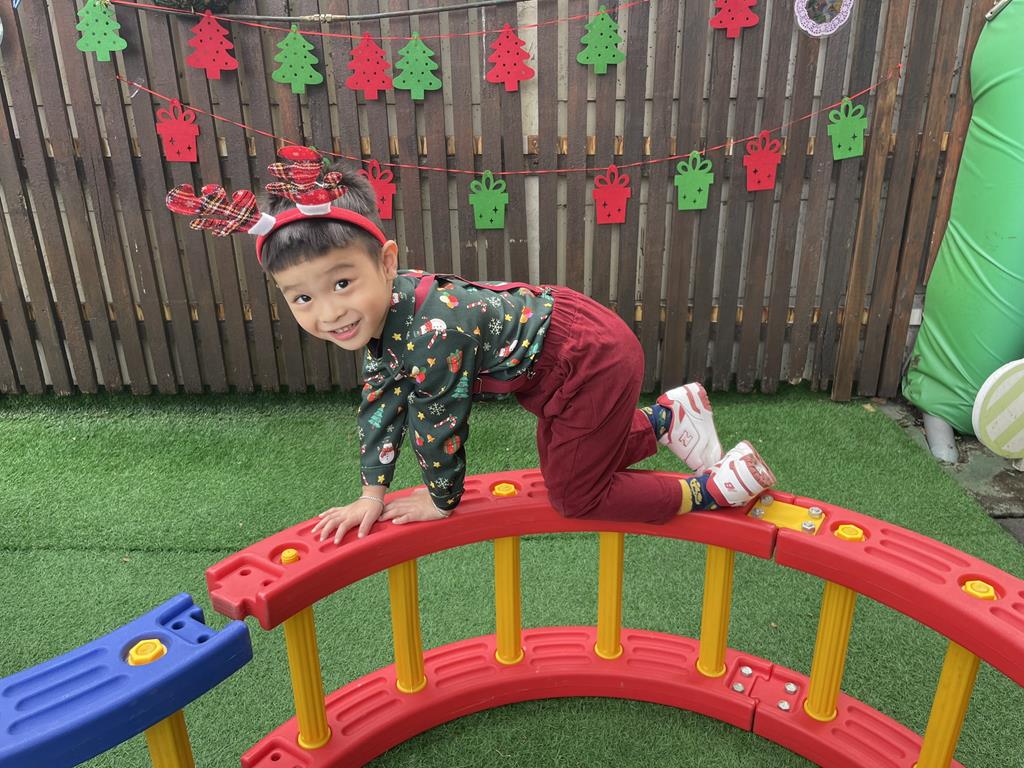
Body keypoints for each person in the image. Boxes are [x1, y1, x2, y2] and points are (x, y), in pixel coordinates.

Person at [166, 147, 776, 545]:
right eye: (301, 297)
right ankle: (669, 417)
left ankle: (714, 488)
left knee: (576, 493)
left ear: (386, 262)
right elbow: (381, 403)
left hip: (586, 359)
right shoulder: (389, 316)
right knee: (573, 455)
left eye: (342, 283)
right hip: (570, 351)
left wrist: (441, 500)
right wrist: (372, 493)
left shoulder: (428, 332)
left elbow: (438, 418)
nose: (328, 313)